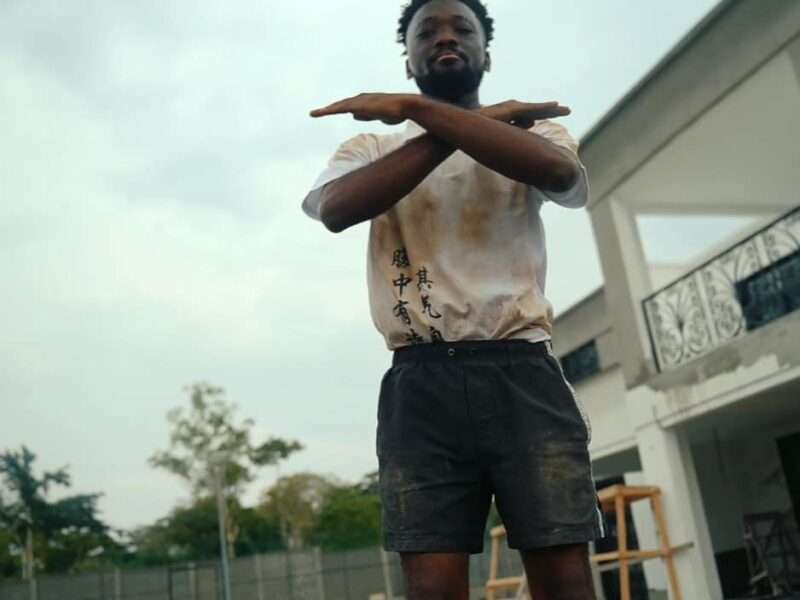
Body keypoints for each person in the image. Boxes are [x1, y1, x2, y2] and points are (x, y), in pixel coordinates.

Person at [302, 1, 603, 598]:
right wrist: (445, 121)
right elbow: (336, 209)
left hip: (523, 371)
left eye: (462, 29)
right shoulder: (370, 146)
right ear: (408, 61)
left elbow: (561, 176)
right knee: (432, 587)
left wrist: (420, 111)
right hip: (420, 383)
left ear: (485, 55)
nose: (445, 37)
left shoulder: (532, 131)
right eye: (427, 32)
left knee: (565, 578)